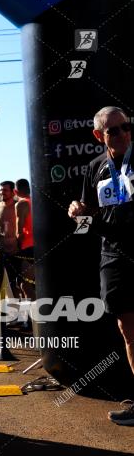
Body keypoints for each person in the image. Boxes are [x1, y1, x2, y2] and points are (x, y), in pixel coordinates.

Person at [68, 106, 134, 426]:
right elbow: (88, 214)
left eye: (125, 127)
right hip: (115, 257)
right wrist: (78, 210)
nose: (122, 134)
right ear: (99, 136)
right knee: (128, 331)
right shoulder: (95, 168)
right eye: (113, 130)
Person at [0, 180, 21, 298]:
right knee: (4, 284)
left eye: (5, 190)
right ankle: (10, 311)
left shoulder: (19, 205)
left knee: (21, 284)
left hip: (18, 252)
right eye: (1, 190)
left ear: (13, 192)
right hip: (1, 253)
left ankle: (23, 311)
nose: (2, 193)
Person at [15, 179, 35, 301]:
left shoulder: (22, 204)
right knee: (35, 284)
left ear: (15, 191)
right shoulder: (36, 201)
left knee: (25, 285)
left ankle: (32, 318)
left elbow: (19, 232)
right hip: (40, 247)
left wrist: (16, 247)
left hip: (28, 248)